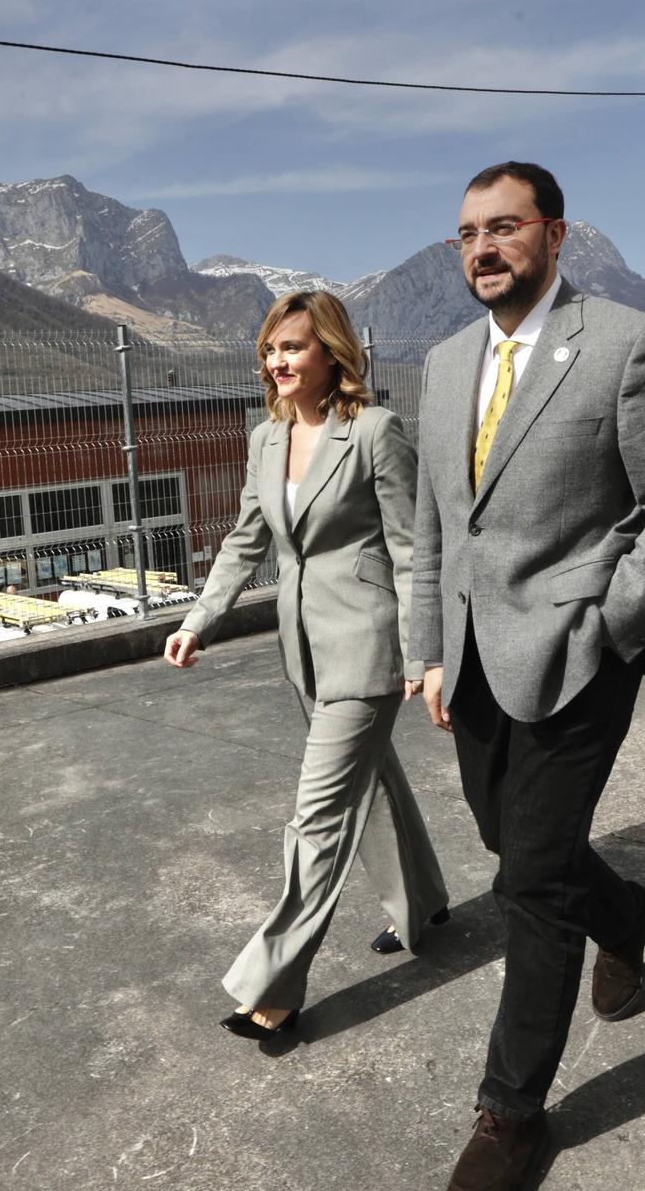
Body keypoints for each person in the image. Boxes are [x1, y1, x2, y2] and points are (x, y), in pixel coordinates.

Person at [410, 161, 645, 1189]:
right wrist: (425, 647)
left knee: (533, 879)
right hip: (469, 656)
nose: (481, 249)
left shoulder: (625, 344)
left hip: (581, 654)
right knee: (512, 846)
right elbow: (429, 530)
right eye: (466, 234)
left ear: (553, 234)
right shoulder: (443, 363)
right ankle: (629, 916)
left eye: (502, 229)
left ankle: (510, 1115)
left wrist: (610, 618)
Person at [164, 289, 449, 1042]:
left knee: (318, 815)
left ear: (331, 352)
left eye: (292, 346)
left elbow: (413, 550)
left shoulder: (376, 433)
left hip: (366, 644)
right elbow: (244, 541)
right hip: (302, 650)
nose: (277, 360)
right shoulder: (265, 439)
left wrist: (427, 653)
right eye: (270, 348)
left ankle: (276, 982)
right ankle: (424, 907)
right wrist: (200, 619)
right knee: (372, 782)